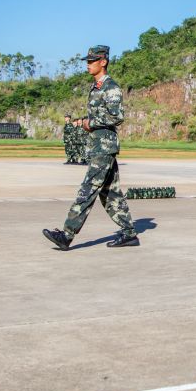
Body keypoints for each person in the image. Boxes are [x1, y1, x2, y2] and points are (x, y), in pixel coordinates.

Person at [43, 45, 139, 250]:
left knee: (88, 189)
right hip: (99, 145)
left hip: (104, 146)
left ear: (103, 62)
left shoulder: (110, 87)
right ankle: (129, 232)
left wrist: (90, 122)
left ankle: (67, 234)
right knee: (109, 193)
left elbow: (117, 116)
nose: (88, 64)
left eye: (91, 61)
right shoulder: (96, 87)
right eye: (87, 61)